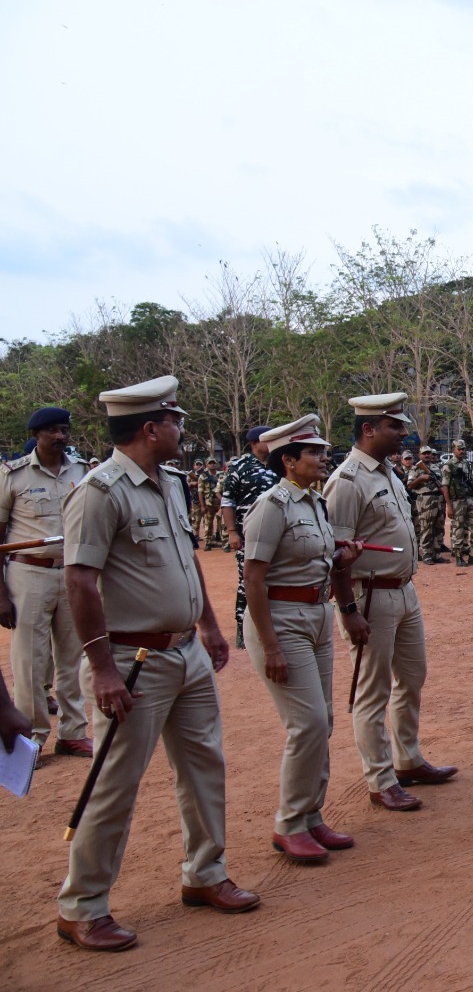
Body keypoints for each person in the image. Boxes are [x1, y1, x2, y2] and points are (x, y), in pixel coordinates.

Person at [57, 375, 258, 952]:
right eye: (176, 422)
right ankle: (83, 906)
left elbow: (185, 560)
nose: (182, 431)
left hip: (185, 651)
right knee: (115, 783)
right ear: (150, 428)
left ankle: (205, 873)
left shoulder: (169, 483)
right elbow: (80, 581)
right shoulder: (100, 491)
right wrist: (102, 669)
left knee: (204, 767)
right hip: (132, 660)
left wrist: (210, 625)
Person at [241, 414, 364, 863]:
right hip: (281, 619)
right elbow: (254, 578)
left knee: (322, 720)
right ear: (288, 461)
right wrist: (270, 645)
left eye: (322, 451)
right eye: (313, 452)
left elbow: (318, 562)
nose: (323, 457)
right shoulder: (271, 505)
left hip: (316, 614)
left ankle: (312, 815)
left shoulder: (315, 502)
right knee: (307, 722)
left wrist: (342, 561)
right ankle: (289, 824)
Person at [325, 393, 456, 814]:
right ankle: (381, 780)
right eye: (395, 426)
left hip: (403, 590)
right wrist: (348, 611)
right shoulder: (347, 481)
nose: (403, 433)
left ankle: (408, 760)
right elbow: (335, 555)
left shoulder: (388, 472)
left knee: (412, 677)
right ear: (368, 429)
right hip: (369, 596)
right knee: (372, 690)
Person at [0, 405, 91, 757]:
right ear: (36, 435)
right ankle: (33, 740)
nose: (59, 436)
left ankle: (72, 732)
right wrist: (1, 595)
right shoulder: (13, 475)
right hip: (28, 574)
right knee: (30, 661)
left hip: (72, 573)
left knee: (72, 657)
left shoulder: (82, 471)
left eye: (64, 430)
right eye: (52, 430)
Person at [220, 426, 277, 648]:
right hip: (248, 535)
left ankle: (271, 626)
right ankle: (243, 627)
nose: (271, 444)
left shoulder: (279, 463)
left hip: (276, 534)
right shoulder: (239, 466)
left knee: (274, 579)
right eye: (266, 440)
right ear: (254, 443)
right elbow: (228, 501)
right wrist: (232, 532)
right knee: (248, 581)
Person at [442, 439, 473, 566]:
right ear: (453, 450)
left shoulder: (466, 463)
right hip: (457, 501)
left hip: (469, 499)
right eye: (459, 449)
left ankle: (472, 554)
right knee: (458, 528)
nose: (461, 451)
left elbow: (472, 482)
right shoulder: (448, 465)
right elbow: (445, 487)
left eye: (463, 449)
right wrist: (449, 506)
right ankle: (459, 556)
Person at [408, 446, 445, 564]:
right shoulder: (415, 469)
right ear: (419, 455)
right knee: (426, 527)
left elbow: (442, 484)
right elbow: (410, 486)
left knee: (439, 527)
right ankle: (427, 554)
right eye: (424, 453)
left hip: (438, 498)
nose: (427, 455)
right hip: (424, 499)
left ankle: (436, 554)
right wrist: (420, 478)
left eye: (428, 453)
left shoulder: (436, 467)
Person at [198, 458, 224, 549]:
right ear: (206, 464)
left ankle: (222, 539)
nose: (212, 464)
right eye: (210, 463)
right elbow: (200, 491)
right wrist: (202, 506)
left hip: (220, 501)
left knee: (222, 522)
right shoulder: (203, 476)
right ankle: (208, 542)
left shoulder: (221, 475)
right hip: (209, 502)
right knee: (208, 522)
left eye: (214, 463)